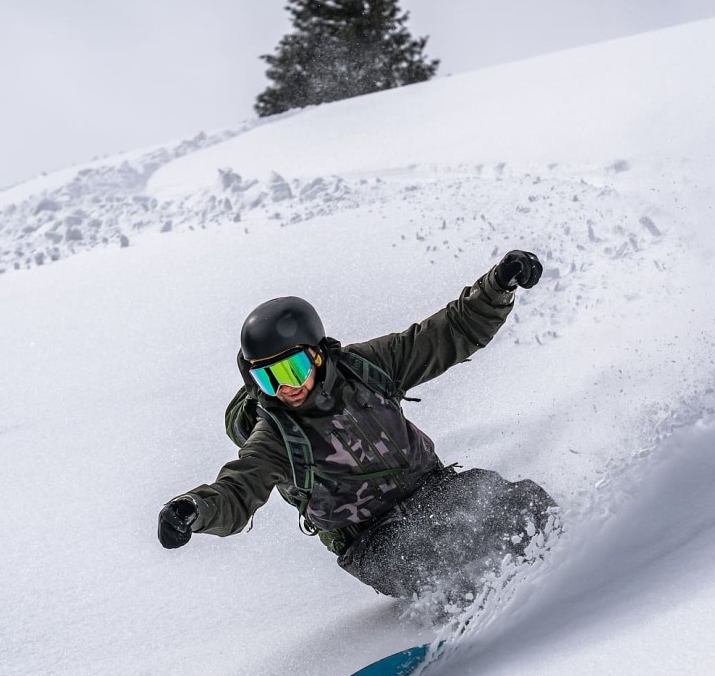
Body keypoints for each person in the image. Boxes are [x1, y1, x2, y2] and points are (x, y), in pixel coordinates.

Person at [156, 249, 555, 598]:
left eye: (291, 370)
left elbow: (448, 333)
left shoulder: (365, 368)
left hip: (435, 491)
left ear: (316, 354)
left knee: (519, 504)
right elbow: (237, 490)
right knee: (440, 560)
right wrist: (193, 509)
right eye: (266, 378)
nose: (283, 388)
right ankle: (482, 617)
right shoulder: (277, 435)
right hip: (373, 540)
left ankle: (570, 573)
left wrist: (499, 285)